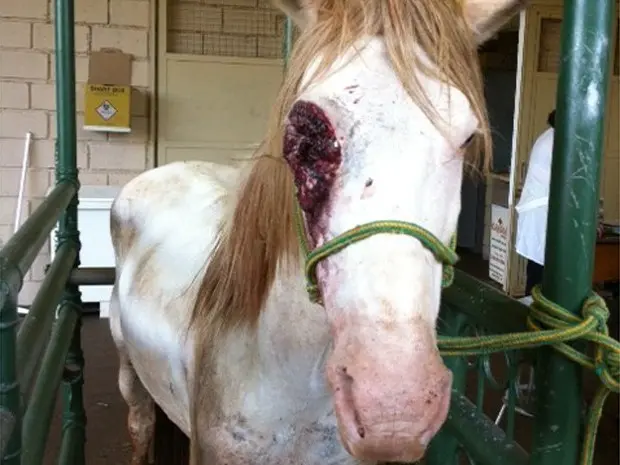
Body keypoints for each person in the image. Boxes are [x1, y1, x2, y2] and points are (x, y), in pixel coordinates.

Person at [515, 110, 556, 296]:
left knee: (537, 268)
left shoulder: (548, 137)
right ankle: (533, 312)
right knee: (539, 272)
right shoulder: (555, 142)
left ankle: (531, 307)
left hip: (541, 210)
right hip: (541, 211)